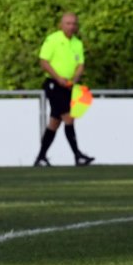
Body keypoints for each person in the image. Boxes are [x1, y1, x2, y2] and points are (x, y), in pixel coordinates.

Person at [34, 12, 94, 166]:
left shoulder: (77, 43)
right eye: (68, 23)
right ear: (61, 24)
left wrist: (74, 79)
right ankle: (77, 155)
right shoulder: (53, 39)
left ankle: (41, 157)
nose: (71, 26)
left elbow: (81, 64)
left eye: (74, 23)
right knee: (68, 117)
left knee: (54, 122)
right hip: (54, 85)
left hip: (68, 86)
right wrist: (57, 77)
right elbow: (44, 61)